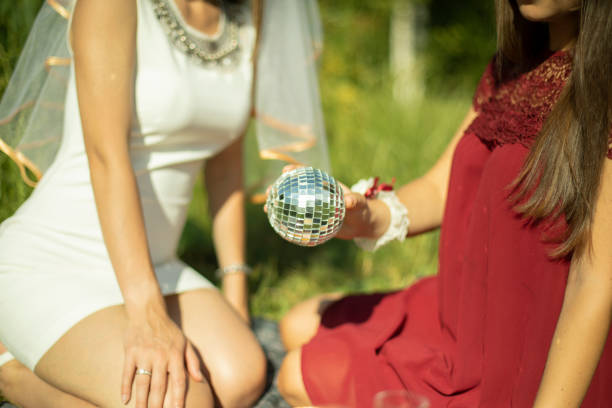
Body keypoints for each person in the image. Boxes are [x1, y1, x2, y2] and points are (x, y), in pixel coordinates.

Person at [277, 0, 612, 407]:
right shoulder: (512, 66)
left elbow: (593, 282)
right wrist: (366, 216)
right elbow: (441, 187)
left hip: (535, 344)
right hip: (468, 309)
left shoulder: (603, 89)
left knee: (299, 375)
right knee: (296, 324)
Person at [0, 0, 328, 407]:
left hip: (158, 264)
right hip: (55, 257)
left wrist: (236, 289)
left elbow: (225, 166)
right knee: (184, 401)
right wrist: (147, 314)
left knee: (242, 375)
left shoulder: (246, 18)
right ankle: (12, 374)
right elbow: (107, 155)